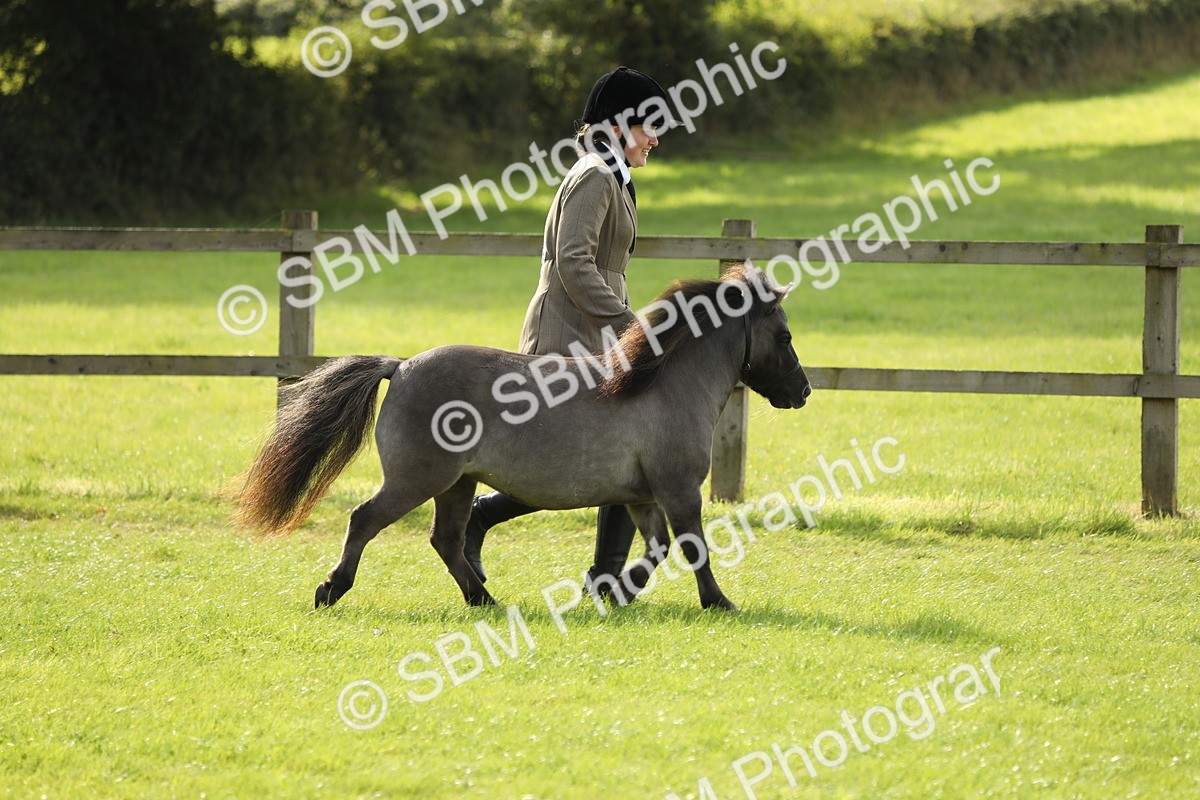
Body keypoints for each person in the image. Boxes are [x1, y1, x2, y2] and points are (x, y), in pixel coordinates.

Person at [462, 65, 673, 595]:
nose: (656, 137)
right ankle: (481, 518)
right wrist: (631, 325)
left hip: (598, 333)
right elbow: (573, 264)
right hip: (569, 335)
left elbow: (602, 267)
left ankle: (604, 576)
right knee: (567, 459)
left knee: (621, 451)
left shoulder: (612, 175)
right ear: (619, 125)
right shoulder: (595, 176)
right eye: (650, 125)